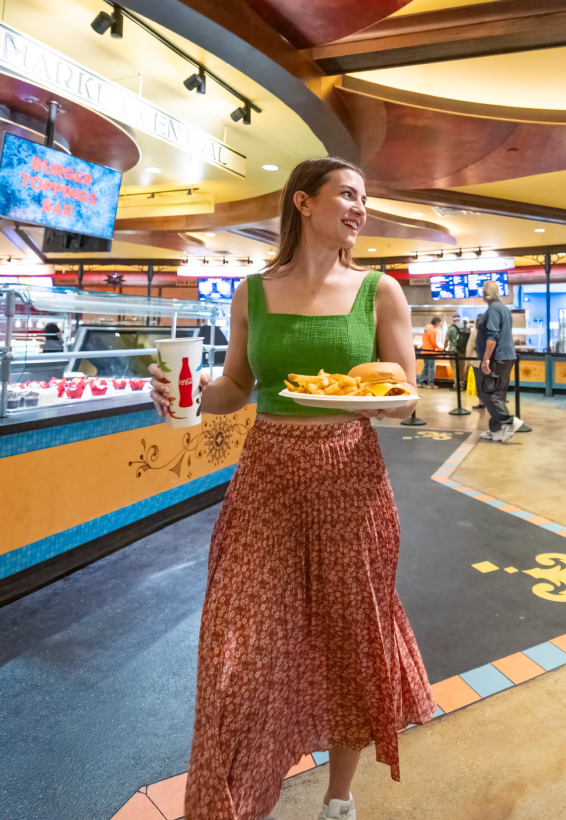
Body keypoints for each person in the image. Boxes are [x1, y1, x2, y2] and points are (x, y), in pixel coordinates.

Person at [150, 157, 436, 820]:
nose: (360, 208)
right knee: (238, 643)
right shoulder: (251, 292)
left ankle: (339, 797)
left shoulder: (380, 292)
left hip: (349, 478)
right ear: (303, 202)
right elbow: (236, 388)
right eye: (348, 194)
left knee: (349, 637)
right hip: (266, 478)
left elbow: (406, 394)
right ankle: (234, 796)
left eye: (364, 198)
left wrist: (389, 400)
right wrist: (185, 398)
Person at [477, 281, 521, 442]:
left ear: (486, 293)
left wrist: (486, 359)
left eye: (483, 291)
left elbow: (492, 335)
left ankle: (509, 421)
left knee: (486, 392)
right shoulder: (503, 308)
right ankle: (495, 430)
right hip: (507, 356)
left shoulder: (494, 309)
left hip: (498, 357)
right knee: (498, 393)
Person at [418, 316, 442, 387]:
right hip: (430, 352)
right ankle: (430, 384)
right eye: (439, 323)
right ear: (437, 323)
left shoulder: (427, 328)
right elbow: (433, 343)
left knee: (425, 367)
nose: (439, 325)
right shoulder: (433, 330)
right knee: (431, 368)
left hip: (424, 350)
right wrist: (439, 349)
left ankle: (421, 382)